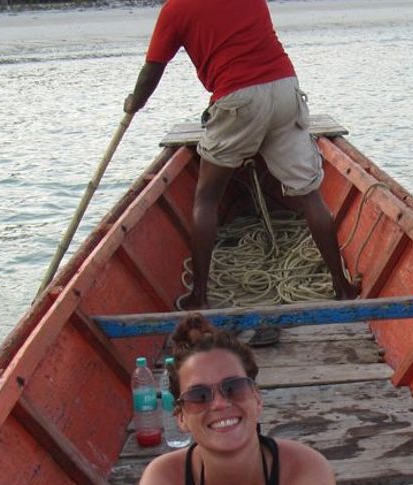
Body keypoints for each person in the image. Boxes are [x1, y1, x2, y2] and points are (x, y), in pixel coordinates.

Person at [123, 0, 358, 310]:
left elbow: (152, 69)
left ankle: (199, 296)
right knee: (310, 195)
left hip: (238, 98)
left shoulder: (175, 9)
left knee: (206, 199)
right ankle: (343, 288)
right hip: (285, 89)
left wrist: (135, 102)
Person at [129, 314, 339, 485]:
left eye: (234, 387)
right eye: (199, 396)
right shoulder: (164, 479)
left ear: (257, 399)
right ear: (181, 417)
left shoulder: (304, 469)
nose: (219, 404)